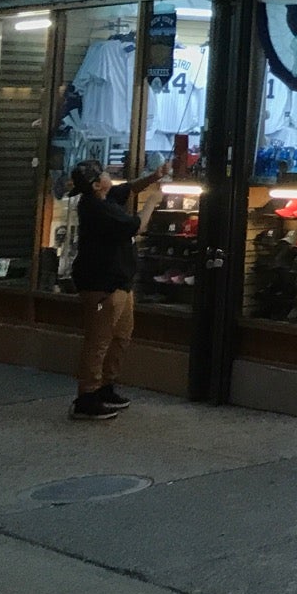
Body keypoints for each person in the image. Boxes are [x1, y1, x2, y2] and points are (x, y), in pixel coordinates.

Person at [69, 158, 170, 420]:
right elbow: (138, 226)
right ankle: (87, 397)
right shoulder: (96, 208)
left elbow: (127, 189)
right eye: (103, 173)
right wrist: (151, 203)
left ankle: (105, 387)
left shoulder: (105, 198)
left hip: (120, 284)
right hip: (101, 288)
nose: (107, 174)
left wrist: (153, 176)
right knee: (99, 339)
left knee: (120, 336)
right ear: (95, 185)